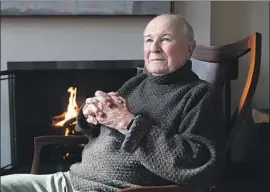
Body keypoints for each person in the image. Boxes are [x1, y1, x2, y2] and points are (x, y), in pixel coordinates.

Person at [1, 14, 226, 192]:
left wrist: (128, 123)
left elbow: (198, 164)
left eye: (165, 39)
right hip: (73, 180)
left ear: (189, 48)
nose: (154, 47)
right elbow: (100, 129)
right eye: (149, 40)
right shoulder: (138, 82)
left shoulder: (199, 95)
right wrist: (90, 116)